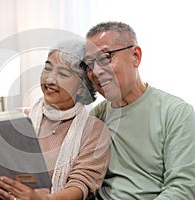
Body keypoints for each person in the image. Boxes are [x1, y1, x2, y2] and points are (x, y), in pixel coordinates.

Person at [0, 40, 111, 200]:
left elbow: (80, 186)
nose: (50, 79)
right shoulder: (18, 119)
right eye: (47, 68)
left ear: (81, 86)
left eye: (63, 74)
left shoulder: (94, 130)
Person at [83, 21, 195, 199]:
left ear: (136, 56)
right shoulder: (97, 116)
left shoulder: (175, 113)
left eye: (105, 57)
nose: (96, 71)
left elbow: (183, 189)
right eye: (89, 64)